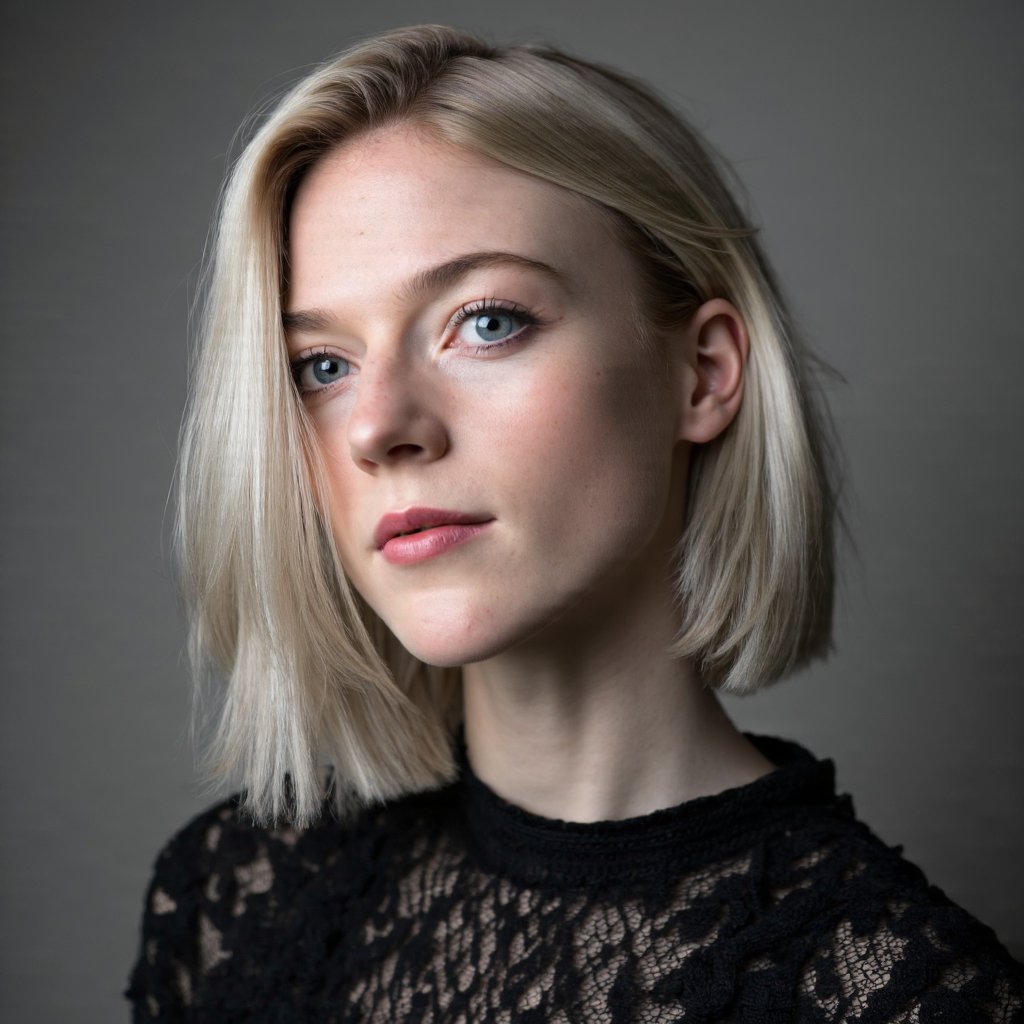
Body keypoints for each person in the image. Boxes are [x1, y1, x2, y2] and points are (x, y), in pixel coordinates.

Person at [125, 23, 1023, 1023]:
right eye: (321, 367)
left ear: (705, 372)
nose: (379, 426)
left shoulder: (904, 996)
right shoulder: (235, 906)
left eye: (486, 320)